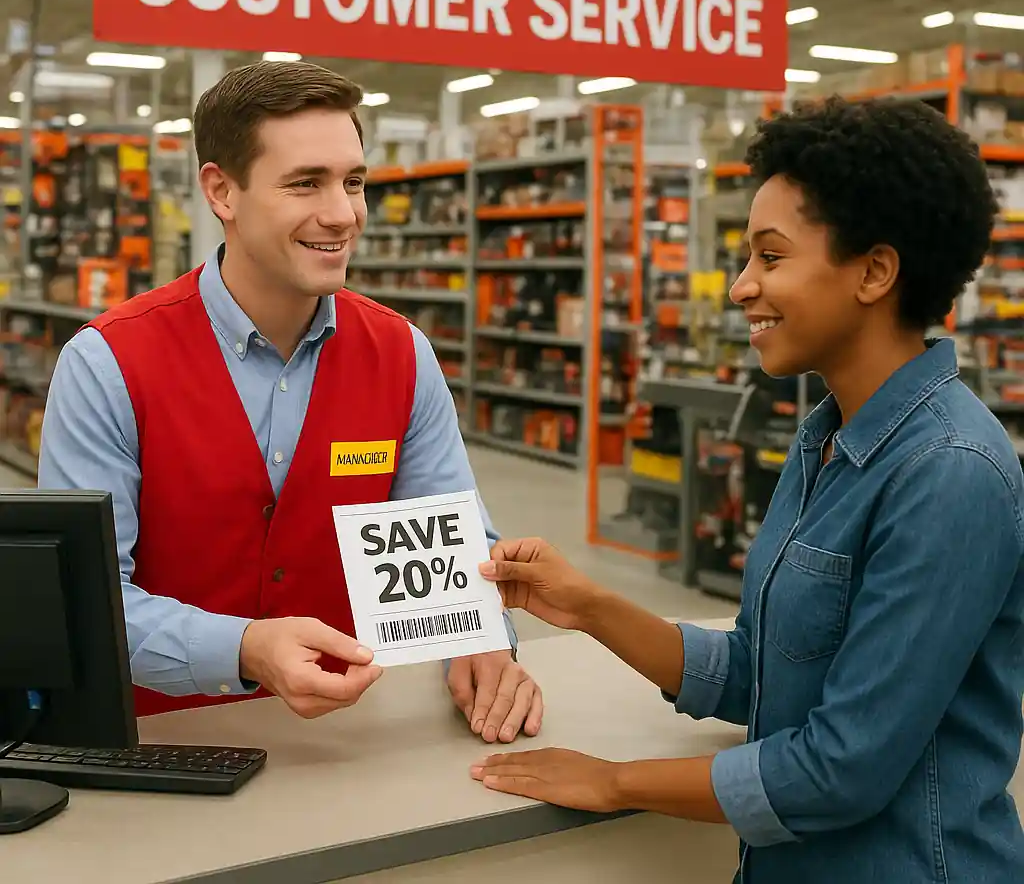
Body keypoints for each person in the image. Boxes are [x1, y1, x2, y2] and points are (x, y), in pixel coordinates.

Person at [470, 96, 1024, 882]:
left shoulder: (950, 473)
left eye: (770, 257)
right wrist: (589, 608)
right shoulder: (828, 437)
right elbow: (765, 676)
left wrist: (613, 781)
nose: (740, 288)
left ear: (874, 271)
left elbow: (843, 768)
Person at [37, 61, 542, 745]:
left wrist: (479, 638)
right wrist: (242, 648)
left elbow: (451, 558)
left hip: (347, 746)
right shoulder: (107, 365)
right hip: (156, 752)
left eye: (353, 181)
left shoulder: (400, 356)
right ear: (222, 191)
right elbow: (87, 604)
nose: (342, 213)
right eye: (306, 183)